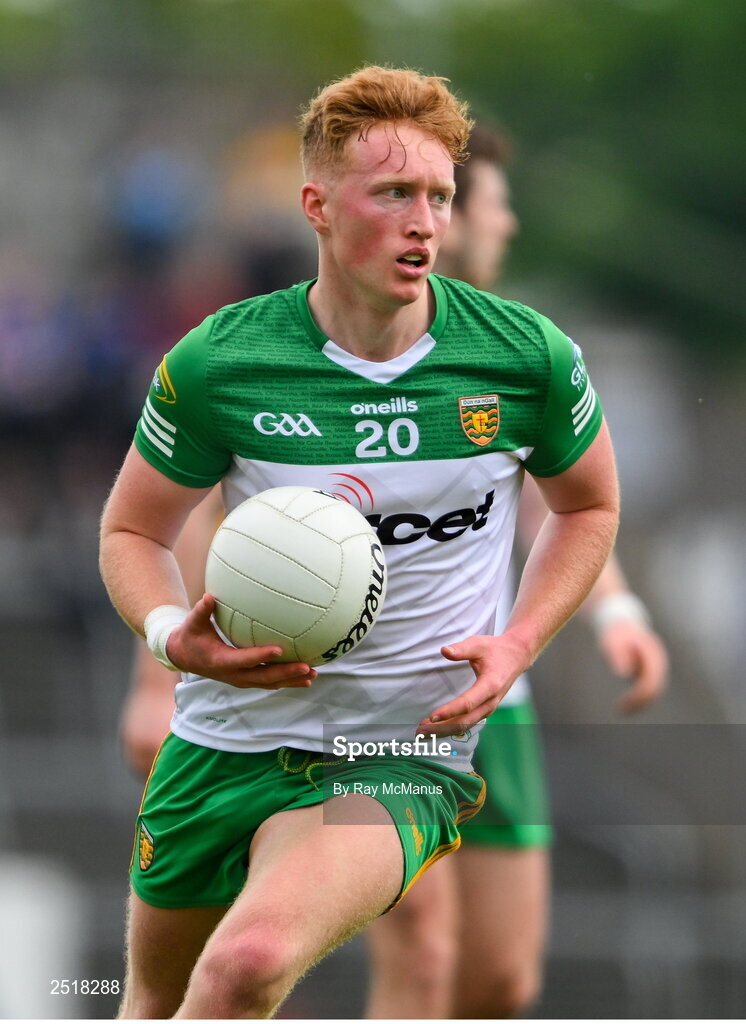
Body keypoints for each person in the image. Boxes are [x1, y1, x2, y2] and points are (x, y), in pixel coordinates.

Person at [100, 66, 620, 1019]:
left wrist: (519, 642)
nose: (428, 222)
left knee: (246, 964)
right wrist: (171, 638)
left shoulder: (522, 357)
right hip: (224, 739)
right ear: (318, 207)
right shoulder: (223, 361)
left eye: (441, 196)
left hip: (399, 747)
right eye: (394, 194)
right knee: (153, 999)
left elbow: (589, 509)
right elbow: (133, 530)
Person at [363, 124, 669, 1020]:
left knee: (497, 983)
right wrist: (159, 677)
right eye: (492, 203)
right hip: (378, 703)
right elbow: (230, 507)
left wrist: (615, 612)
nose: (507, 222)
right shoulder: (340, 349)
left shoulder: (517, 355)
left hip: (497, 699)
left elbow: (555, 510)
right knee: (418, 956)